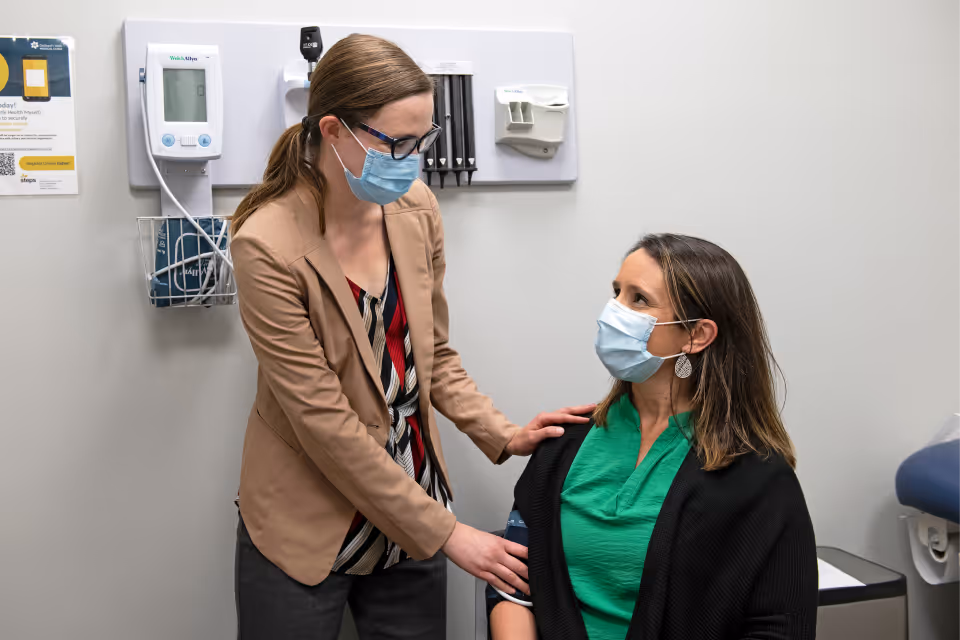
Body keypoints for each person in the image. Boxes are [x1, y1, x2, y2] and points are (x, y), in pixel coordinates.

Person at [230, 34, 591, 640]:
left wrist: (502, 432)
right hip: (308, 519)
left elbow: (434, 357)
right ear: (335, 131)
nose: (411, 160)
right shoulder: (266, 245)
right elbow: (322, 422)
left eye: (421, 141)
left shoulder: (416, 208)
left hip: (411, 511)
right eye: (396, 142)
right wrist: (448, 532)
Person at [489, 234, 818, 640]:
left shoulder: (759, 476)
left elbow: (780, 626)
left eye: (639, 300)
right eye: (616, 292)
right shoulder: (561, 443)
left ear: (696, 335)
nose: (613, 312)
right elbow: (511, 585)